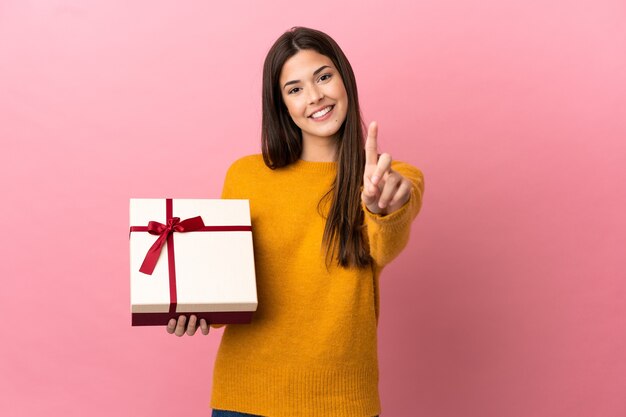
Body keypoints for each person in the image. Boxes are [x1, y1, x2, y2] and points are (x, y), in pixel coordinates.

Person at [166, 26, 425, 417]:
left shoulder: (392, 177)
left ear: (344, 78)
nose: (315, 96)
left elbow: (384, 247)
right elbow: (229, 283)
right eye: (295, 89)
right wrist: (198, 310)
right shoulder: (246, 176)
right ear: (281, 105)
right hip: (244, 397)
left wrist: (379, 207)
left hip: (342, 403)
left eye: (323, 76)